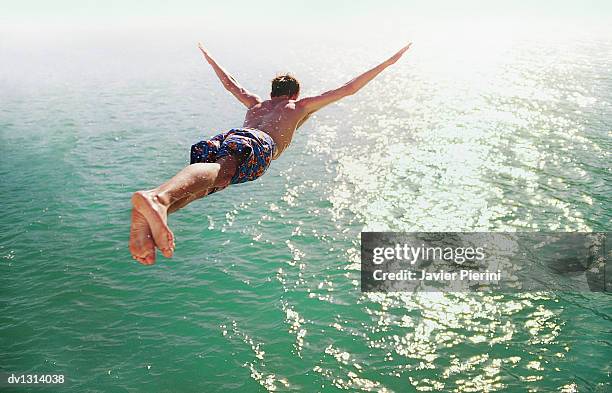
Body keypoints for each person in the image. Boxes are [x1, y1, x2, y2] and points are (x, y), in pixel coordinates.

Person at [129, 41, 412, 264]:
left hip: (233, 136)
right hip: (260, 143)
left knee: (209, 183)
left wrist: (209, 57)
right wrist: (389, 62)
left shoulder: (255, 104)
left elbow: (230, 84)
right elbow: (349, 88)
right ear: (295, 94)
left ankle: (154, 215)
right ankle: (159, 197)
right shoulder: (298, 107)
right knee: (221, 173)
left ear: (273, 91)